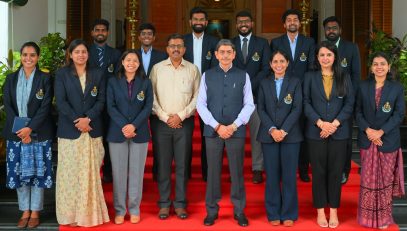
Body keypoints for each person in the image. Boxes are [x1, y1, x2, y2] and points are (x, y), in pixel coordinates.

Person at [197, 39, 255, 227]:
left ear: (234, 54)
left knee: (237, 172)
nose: (225, 55)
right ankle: (211, 210)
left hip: (235, 131)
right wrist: (216, 126)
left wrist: (234, 125)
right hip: (213, 132)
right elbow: (200, 104)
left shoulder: (243, 75)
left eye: (228, 52)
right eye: (221, 52)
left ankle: (239, 211)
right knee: (213, 172)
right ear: (216, 54)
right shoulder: (207, 75)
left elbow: (249, 104)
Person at [54, 39, 109, 227]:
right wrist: (79, 121)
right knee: (69, 175)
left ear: (88, 54)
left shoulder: (98, 74)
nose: (80, 55)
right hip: (70, 130)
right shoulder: (62, 74)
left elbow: (101, 100)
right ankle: (70, 216)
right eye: (76, 51)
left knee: (90, 176)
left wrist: (88, 119)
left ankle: (88, 216)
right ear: (70, 54)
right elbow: (61, 102)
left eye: (84, 51)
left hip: (92, 130)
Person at [3, 42, 54, 229]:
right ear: (20, 56)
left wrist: (30, 129)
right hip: (16, 133)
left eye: (32, 55)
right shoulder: (10, 79)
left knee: (38, 173)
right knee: (20, 174)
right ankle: (24, 210)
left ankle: (35, 211)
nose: (28, 58)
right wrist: (20, 130)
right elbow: (7, 105)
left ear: (38, 57)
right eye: (25, 55)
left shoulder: (45, 79)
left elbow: (45, 106)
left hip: (39, 133)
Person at [303, 41, 354, 228]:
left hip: (338, 133)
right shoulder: (309, 77)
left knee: (335, 173)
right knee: (318, 172)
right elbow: (305, 103)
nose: (325, 58)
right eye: (322, 55)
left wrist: (334, 124)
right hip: (315, 132)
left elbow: (349, 104)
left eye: (329, 55)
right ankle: (320, 212)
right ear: (317, 58)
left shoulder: (344, 77)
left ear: (335, 57)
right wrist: (320, 123)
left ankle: (333, 211)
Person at [150, 33, 200, 220]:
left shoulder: (193, 70)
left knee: (182, 165)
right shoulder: (157, 69)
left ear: (185, 49)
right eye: (172, 46)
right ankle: (164, 204)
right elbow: (151, 96)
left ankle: (180, 203)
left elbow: (197, 98)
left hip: (184, 123)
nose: (176, 49)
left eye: (179, 46)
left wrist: (181, 115)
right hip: (161, 123)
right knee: (163, 165)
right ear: (167, 49)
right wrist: (165, 117)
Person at [356, 52, 405, 229]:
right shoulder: (362, 86)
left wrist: (381, 132)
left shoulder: (397, 88)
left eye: (382, 64)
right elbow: (358, 112)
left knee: (385, 181)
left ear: (389, 67)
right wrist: (369, 131)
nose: (379, 67)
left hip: (388, 140)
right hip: (368, 139)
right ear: (371, 68)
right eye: (375, 64)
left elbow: (399, 114)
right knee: (367, 181)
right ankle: (367, 218)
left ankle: (384, 219)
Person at [106, 50, 153, 225]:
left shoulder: (146, 82)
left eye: (135, 60)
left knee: (136, 173)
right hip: (117, 132)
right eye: (128, 60)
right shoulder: (112, 82)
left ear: (139, 63)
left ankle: (134, 209)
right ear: (123, 62)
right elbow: (110, 106)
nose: (131, 63)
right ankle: (119, 210)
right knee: (118, 173)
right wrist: (124, 126)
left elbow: (148, 107)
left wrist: (134, 125)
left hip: (139, 132)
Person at [257, 50, 303, 227]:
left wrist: (283, 130)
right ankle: (273, 212)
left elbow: (297, 108)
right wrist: (272, 129)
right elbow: (260, 108)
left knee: (290, 176)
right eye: (275, 61)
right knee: (272, 176)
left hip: (290, 136)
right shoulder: (264, 83)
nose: (278, 64)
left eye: (282, 61)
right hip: (268, 136)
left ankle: (289, 213)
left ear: (287, 63)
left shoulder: (295, 82)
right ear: (270, 64)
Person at [270, 8, 315, 183]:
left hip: (303, 93)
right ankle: (280, 169)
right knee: (282, 127)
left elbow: (311, 67)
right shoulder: (276, 42)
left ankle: (303, 169)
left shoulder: (309, 42)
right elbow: (274, 67)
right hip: (282, 93)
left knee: (302, 131)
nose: (292, 22)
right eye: (289, 20)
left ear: (299, 22)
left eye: (295, 19)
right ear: (284, 24)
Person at [231, 10, 270, 184]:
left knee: (256, 135)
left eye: (246, 21)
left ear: (252, 23)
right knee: (235, 135)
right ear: (236, 24)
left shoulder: (262, 44)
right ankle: (235, 169)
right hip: (234, 98)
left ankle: (257, 168)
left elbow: (266, 69)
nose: (243, 24)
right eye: (240, 22)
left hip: (255, 97)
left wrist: (248, 85)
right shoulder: (229, 44)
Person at [323, 16, 361, 184]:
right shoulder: (321, 48)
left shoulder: (351, 48)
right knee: (325, 139)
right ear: (325, 31)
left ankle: (344, 171)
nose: (331, 30)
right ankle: (327, 170)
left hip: (345, 102)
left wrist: (352, 100)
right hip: (324, 102)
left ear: (340, 30)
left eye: (334, 28)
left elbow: (356, 75)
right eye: (328, 28)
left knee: (344, 140)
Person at [183, 6, 219, 182]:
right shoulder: (182, 41)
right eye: (195, 19)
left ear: (206, 22)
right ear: (190, 22)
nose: (198, 22)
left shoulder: (214, 42)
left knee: (207, 134)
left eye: (201, 20)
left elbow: (215, 69)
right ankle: (186, 172)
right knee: (185, 136)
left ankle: (207, 172)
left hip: (208, 93)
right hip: (185, 93)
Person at [88, 18, 122, 183]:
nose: (100, 33)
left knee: (108, 138)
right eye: (97, 30)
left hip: (109, 104)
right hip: (89, 103)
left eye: (103, 30)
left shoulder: (116, 54)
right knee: (92, 139)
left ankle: (108, 172)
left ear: (107, 33)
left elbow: (117, 79)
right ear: (92, 33)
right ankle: (92, 173)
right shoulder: (85, 51)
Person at [136, 22, 167, 182]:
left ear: (154, 37)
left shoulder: (162, 56)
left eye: (149, 34)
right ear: (139, 37)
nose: (146, 36)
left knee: (158, 140)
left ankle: (157, 172)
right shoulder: (132, 54)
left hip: (156, 102)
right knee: (138, 139)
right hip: (135, 104)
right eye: (144, 33)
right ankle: (137, 174)